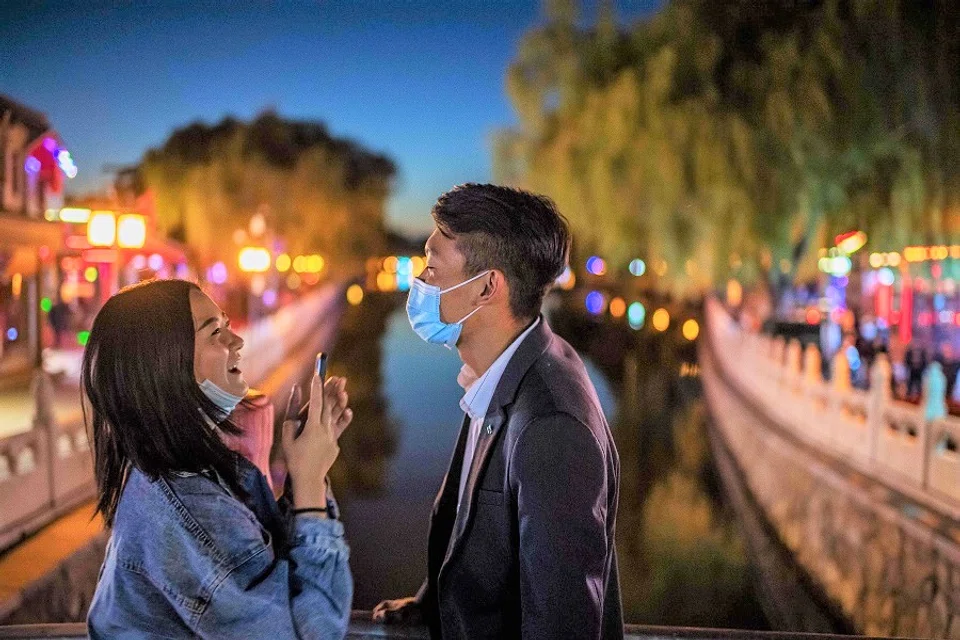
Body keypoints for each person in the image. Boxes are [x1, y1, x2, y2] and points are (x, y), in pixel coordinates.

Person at [373, 184, 623, 639]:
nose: (420, 283)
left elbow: (561, 625)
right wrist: (434, 606)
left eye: (432, 267)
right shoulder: (507, 366)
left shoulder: (552, 427)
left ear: (487, 286)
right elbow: (483, 533)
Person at [84, 279, 354, 639]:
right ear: (166, 364)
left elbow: (273, 575)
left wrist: (308, 475)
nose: (237, 341)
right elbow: (313, 631)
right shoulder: (189, 508)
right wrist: (309, 483)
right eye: (215, 333)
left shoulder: (186, 472)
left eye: (227, 326)